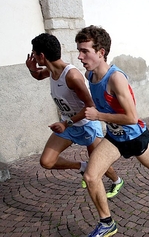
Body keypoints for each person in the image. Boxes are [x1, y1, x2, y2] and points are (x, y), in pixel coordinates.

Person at [75, 25, 149, 237]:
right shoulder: (90, 75)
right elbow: (95, 106)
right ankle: (107, 222)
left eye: (85, 51)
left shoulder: (116, 78)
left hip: (134, 136)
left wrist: (98, 116)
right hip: (114, 138)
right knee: (91, 177)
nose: (80, 56)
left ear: (100, 53)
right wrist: (70, 121)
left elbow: (131, 118)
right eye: (79, 50)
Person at [26, 33, 123, 199]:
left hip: (85, 124)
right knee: (47, 161)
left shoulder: (71, 76)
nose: (33, 56)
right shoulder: (51, 71)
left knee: (98, 163)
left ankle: (117, 180)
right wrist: (31, 68)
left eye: (34, 54)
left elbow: (90, 105)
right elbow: (38, 75)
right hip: (68, 125)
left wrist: (67, 123)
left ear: (42, 56)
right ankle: (81, 166)